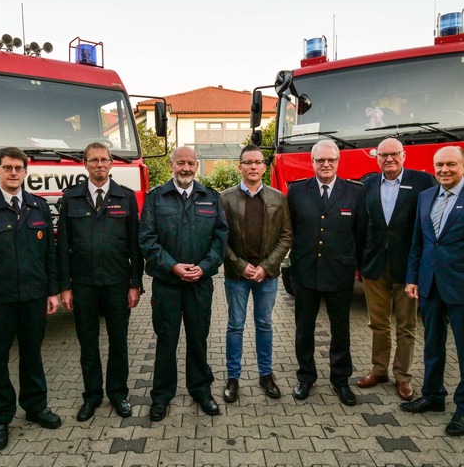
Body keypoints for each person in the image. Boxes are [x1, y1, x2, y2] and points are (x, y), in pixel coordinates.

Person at [0, 147, 62, 451]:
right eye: (7, 168)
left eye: (18, 168)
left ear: (25, 172)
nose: (13, 173)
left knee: (32, 354)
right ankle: (0, 419)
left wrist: (52, 291)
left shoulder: (39, 207)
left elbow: (50, 256)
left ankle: (35, 407)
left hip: (33, 297)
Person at [402, 145, 464, 437]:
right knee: (432, 345)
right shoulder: (425, 197)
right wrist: (413, 278)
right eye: (439, 165)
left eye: (450, 164)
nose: (444, 170)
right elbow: (418, 243)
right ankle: (433, 396)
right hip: (430, 286)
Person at [139, 146, 228, 421]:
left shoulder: (210, 197)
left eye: (191, 163)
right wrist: (173, 266)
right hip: (167, 284)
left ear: (197, 166)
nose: (186, 168)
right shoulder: (156, 198)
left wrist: (203, 268)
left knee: (198, 339)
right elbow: (146, 239)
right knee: (166, 339)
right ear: (172, 166)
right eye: (181, 163)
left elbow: (220, 238)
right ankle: (162, 396)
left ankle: (201, 390)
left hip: (199, 284)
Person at [57, 142, 143, 422]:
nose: (100, 165)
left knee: (118, 342)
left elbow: (135, 245)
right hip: (83, 284)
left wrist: (135, 283)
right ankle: (92, 395)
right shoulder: (71, 198)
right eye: (94, 160)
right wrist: (65, 286)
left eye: (104, 160)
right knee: (88, 343)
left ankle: (118, 394)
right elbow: (63, 246)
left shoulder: (126, 197)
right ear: (85, 164)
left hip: (117, 283)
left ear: (111, 163)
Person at [287, 139, 367, 407]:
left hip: (339, 272)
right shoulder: (297, 191)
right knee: (304, 329)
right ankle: (306, 377)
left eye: (331, 160)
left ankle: (341, 380)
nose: (326, 164)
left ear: (338, 161)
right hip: (306, 271)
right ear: (312, 162)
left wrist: (359, 267)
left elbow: (361, 233)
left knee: (341, 329)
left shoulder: (355, 192)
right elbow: (291, 231)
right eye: (320, 160)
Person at [357, 138, 436, 400]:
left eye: (394, 154)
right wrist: (359, 262)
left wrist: (424, 265)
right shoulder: (366, 184)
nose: (389, 159)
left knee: (406, 326)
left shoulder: (423, 183)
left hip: (407, 267)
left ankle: (403, 377)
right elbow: (360, 226)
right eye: (383, 155)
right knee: (378, 323)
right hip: (374, 266)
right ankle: (379, 370)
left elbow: (429, 226)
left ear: (404, 156)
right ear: (376, 158)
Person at [220, 145, 292, 403]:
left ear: (264, 167)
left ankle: (266, 374)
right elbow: (219, 238)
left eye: (257, 162)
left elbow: (286, 236)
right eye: (247, 162)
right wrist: (240, 265)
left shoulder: (278, 198)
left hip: (267, 276)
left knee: (264, 324)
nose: (252, 166)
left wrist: (267, 267)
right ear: (239, 167)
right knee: (235, 326)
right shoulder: (225, 199)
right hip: (236, 276)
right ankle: (232, 377)